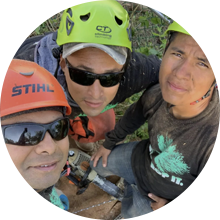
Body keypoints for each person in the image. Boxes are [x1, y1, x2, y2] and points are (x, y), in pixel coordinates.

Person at [91, 1, 220, 219]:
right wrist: (109, 142)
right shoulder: (157, 94)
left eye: (202, 63)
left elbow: (209, 210)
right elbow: (135, 115)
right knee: (98, 165)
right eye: (178, 54)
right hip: (140, 161)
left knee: (132, 213)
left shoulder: (215, 143)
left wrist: (169, 211)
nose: (180, 73)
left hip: (161, 201)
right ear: (165, 50)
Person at [9, 0, 161, 152]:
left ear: (124, 68)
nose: (95, 93)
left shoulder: (135, 71)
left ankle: (81, 137)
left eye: (110, 78)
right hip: (42, 74)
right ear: (63, 64)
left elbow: (173, 77)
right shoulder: (26, 79)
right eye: (82, 75)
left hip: (69, 97)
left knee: (103, 126)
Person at [0, 59, 72, 220]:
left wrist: (49, 194)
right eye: (24, 134)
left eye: (58, 127)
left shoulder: (19, 177)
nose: (50, 147)